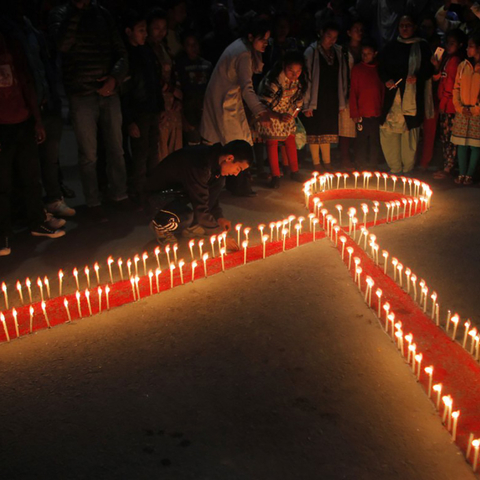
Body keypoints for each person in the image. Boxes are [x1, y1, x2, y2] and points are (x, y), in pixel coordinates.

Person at [49, 0, 129, 223]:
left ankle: (120, 194)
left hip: (109, 91)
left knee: (116, 148)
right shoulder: (62, 13)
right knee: (89, 154)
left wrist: (114, 78)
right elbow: (62, 45)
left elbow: (120, 51)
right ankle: (93, 202)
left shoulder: (102, 14)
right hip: (81, 93)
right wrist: (75, 13)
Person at [0, 30, 65, 256]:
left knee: (31, 176)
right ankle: (2, 234)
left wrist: (37, 120)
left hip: (23, 121)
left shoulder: (13, 45)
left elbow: (27, 83)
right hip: (2, 127)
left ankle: (37, 222)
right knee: (3, 183)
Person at [200, 16, 273, 197]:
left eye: (267, 40)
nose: (265, 43)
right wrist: (261, 112)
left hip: (229, 98)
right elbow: (247, 88)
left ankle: (235, 185)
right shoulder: (242, 53)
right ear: (250, 37)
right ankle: (230, 186)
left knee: (236, 140)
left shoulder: (242, 48)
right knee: (235, 144)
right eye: (262, 39)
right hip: (224, 101)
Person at [145, 140, 253, 247]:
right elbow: (200, 205)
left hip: (180, 192)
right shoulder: (199, 164)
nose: (236, 174)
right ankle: (160, 224)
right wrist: (220, 237)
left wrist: (218, 217)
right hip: (158, 195)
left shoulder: (216, 165)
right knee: (185, 217)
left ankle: (193, 226)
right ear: (229, 158)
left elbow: (211, 196)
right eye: (238, 168)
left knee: (218, 183)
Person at [378, 15, 434, 174]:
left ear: (414, 27)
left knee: (409, 134)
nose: (404, 28)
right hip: (394, 98)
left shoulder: (422, 46)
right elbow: (381, 67)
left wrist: (417, 77)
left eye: (408, 25)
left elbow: (429, 69)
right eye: (402, 25)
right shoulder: (391, 46)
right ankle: (395, 168)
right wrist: (387, 80)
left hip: (412, 97)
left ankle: (408, 169)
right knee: (389, 132)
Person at [122, 10, 164, 205]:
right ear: (129, 31)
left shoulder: (147, 51)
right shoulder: (126, 56)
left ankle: (151, 188)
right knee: (140, 153)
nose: (145, 34)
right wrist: (129, 120)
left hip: (152, 108)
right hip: (138, 111)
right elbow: (125, 90)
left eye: (145, 30)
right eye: (141, 30)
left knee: (153, 151)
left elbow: (155, 81)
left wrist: (160, 107)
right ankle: (138, 192)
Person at [257, 50, 307, 188]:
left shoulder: (298, 82)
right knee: (272, 143)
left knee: (290, 140)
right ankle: (275, 175)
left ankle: (294, 171)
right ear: (284, 66)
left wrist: (294, 114)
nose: (294, 74)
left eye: (298, 71)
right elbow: (262, 105)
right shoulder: (273, 82)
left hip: (288, 115)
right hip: (271, 116)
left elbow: (299, 103)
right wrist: (278, 116)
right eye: (291, 70)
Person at [302, 21, 347, 171]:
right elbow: (307, 78)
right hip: (316, 97)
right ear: (321, 33)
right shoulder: (311, 52)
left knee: (327, 130)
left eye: (335, 37)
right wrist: (307, 103)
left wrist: (341, 102)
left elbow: (342, 77)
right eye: (329, 36)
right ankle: (316, 162)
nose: (331, 40)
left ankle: (326, 161)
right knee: (315, 130)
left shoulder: (338, 52)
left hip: (331, 97)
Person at [147, 7, 183, 161]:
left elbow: (175, 72)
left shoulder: (165, 47)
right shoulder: (146, 50)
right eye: (156, 28)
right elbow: (151, 77)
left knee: (174, 141)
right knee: (159, 144)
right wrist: (171, 89)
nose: (160, 32)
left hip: (171, 103)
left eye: (163, 28)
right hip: (157, 101)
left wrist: (178, 97)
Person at [433, 29, 466, 179]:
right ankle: (448, 166)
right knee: (446, 138)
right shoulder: (447, 59)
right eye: (447, 43)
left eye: (452, 43)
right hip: (446, 104)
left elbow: (451, 85)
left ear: (460, 45)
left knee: (449, 139)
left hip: (450, 106)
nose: (448, 46)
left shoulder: (455, 61)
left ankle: (448, 168)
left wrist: (444, 103)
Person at [450, 32, 480, 185]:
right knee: (462, 143)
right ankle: (461, 173)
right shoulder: (463, 66)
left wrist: (476, 109)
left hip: (477, 113)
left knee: (475, 145)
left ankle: (469, 175)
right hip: (463, 111)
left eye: (471, 46)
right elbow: (456, 88)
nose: (468, 49)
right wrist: (460, 107)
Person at [350, 38, 384, 168]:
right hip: (362, 113)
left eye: (368, 53)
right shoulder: (357, 69)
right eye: (363, 53)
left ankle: (373, 165)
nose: (365, 56)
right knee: (361, 141)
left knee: (375, 141)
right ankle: (361, 165)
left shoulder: (379, 69)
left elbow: (382, 90)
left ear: (375, 53)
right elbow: (353, 91)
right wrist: (354, 112)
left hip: (376, 112)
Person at [175, 31, 212, 146]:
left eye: (195, 44)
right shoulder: (180, 65)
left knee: (208, 144)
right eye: (189, 45)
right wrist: (183, 117)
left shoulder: (207, 65)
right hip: (189, 110)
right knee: (193, 144)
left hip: (205, 110)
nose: (193, 48)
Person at [339, 19, 364, 170]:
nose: (359, 32)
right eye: (356, 29)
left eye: (361, 29)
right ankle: (345, 159)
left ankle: (358, 158)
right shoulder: (342, 50)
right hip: (346, 91)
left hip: (362, 92)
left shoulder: (364, 50)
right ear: (348, 32)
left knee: (359, 127)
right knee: (345, 126)